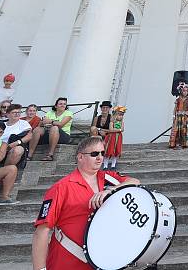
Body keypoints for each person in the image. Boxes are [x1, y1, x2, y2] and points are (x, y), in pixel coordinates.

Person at [32, 136, 140, 270]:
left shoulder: (108, 178)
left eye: (102, 153)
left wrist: (111, 190)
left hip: (103, 261)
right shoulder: (61, 187)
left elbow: (135, 182)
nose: (100, 157)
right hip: (67, 261)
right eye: (94, 154)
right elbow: (41, 232)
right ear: (80, 157)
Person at [29, 97, 73, 162]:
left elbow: (61, 124)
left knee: (55, 128)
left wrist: (50, 121)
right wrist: (45, 122)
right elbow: (42, 122)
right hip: (48, 132)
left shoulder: (68, 113)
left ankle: (50, 155)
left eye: (64, 104)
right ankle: (29, 155)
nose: (63, 105)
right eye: (60, 104)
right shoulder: (50, 112)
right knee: (37, 129)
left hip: (63, 136)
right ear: (56, 106)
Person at [0, 103, 32, 168]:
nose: (17, 114)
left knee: (18, 149)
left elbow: (29, 135)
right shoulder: (1, 124)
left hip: (13, 147)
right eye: (14, 112)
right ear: (7, 114)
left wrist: (16, 143)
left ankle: (5, 170)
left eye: (19, 112)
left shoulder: (23, 123)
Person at [170, 80, 188, 149]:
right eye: (183, 91)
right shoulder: (178, 99)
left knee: (184, 129)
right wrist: (174, 115)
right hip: (178, 115)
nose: (185, 92)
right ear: (181, 91)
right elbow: (175, 108)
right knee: (176, 129)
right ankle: (174, 143)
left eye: (186, 91)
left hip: (185, 116)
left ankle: (184, 143)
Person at [103, 106, 125, 171]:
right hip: (111, 138)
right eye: (119, 115)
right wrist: (118, 129)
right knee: (109, 149)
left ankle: (113, 165)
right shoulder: (111, 122)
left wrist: (116, 129)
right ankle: (105, 165)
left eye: (122, 115)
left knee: (116, 150)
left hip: (118, 137)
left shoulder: (122, 123)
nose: (121, 116)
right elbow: (111, 130)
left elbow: (122, 129)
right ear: (115, 115)